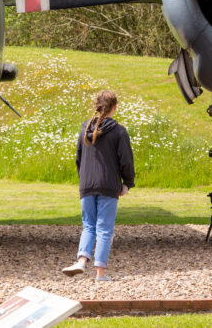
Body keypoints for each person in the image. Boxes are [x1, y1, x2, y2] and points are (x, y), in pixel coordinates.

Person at [62, 89, 135, 281]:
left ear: (97, 106)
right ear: (115, 108)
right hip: (109, 185)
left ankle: (81, 261)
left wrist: (84, 179)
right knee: (104, 228)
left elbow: (78, 159)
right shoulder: (119, 131)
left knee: (88, 226)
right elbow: (125, 161)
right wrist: (127, 183)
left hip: (86, 184)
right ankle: (100, 273)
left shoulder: (85, 129)